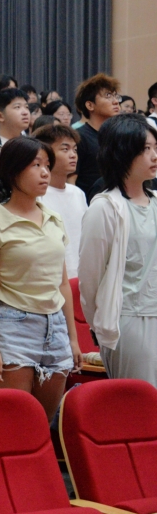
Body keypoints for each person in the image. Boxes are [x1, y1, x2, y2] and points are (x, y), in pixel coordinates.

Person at [0, 137, 80, 420]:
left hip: (55, 326)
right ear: (13, 172)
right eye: (36, 165)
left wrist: (73, 338)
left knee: (44, 422)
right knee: (14, 422)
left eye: (47, 165)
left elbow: (62, 284)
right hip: (13, 325)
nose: (45, 172)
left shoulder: (53, 218)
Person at [79, 114, 157, 385]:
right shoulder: (104, 208)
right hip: (128, 319)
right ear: (122, 153)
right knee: (142, 398)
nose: (154, 156)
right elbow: (90, 279)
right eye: (145, 149)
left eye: (155, 147)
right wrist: (101, 325)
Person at [34, 123, 86, 279]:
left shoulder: (78, 193)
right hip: (53, 278)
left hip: (81, 276)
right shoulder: (37, 197)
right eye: (65, 149)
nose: (73, 155)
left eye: (75, 150)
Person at [73, 74, 121, 200]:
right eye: (108, 96)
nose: (116, 101)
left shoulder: (120, 136)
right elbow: (70, 181)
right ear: (90, 105)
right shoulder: (79, 137)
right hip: (90, 203)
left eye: (116, 96)